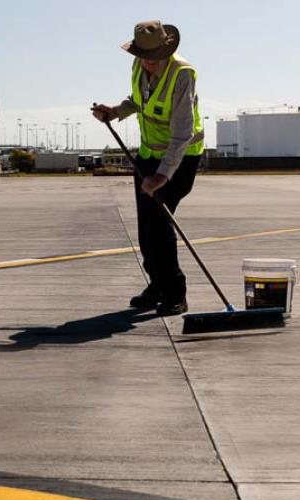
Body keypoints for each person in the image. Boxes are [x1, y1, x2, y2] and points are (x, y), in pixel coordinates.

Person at [92, 20, 205, 316]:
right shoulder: (138, 66)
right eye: (142, 55)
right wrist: (114, 112)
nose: (147, 62)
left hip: (180, 158)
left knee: (160, 224)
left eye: (153, 57)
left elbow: (182, 133)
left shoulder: (183, 74)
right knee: (146, 226)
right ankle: (156, 284)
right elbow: (139, 102)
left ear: (166, 52)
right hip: (147, 155)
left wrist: (162, 174)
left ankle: (175, 292)